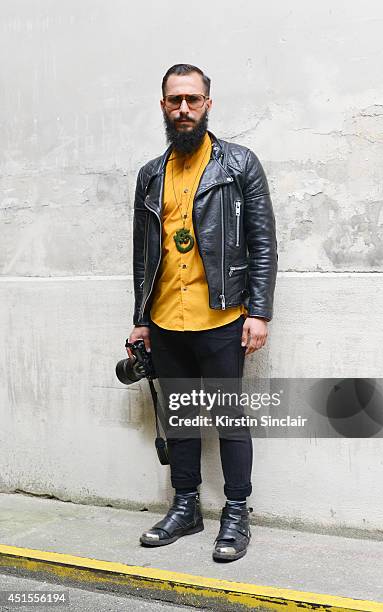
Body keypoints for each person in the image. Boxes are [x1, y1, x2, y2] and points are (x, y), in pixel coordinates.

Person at [128, 63, 278, 562]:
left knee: (229, 417)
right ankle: (186, 505)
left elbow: (263, 243)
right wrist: (141, 318)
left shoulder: (239, 164)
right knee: (179, 417)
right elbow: (143, 255)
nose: (184, 109)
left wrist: (259, 312)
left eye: (193, 100)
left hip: (222, 316)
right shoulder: (151, 175)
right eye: (175, 101)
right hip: (167, 320)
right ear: (164, 106)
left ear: (208, 104)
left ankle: (237, 511)